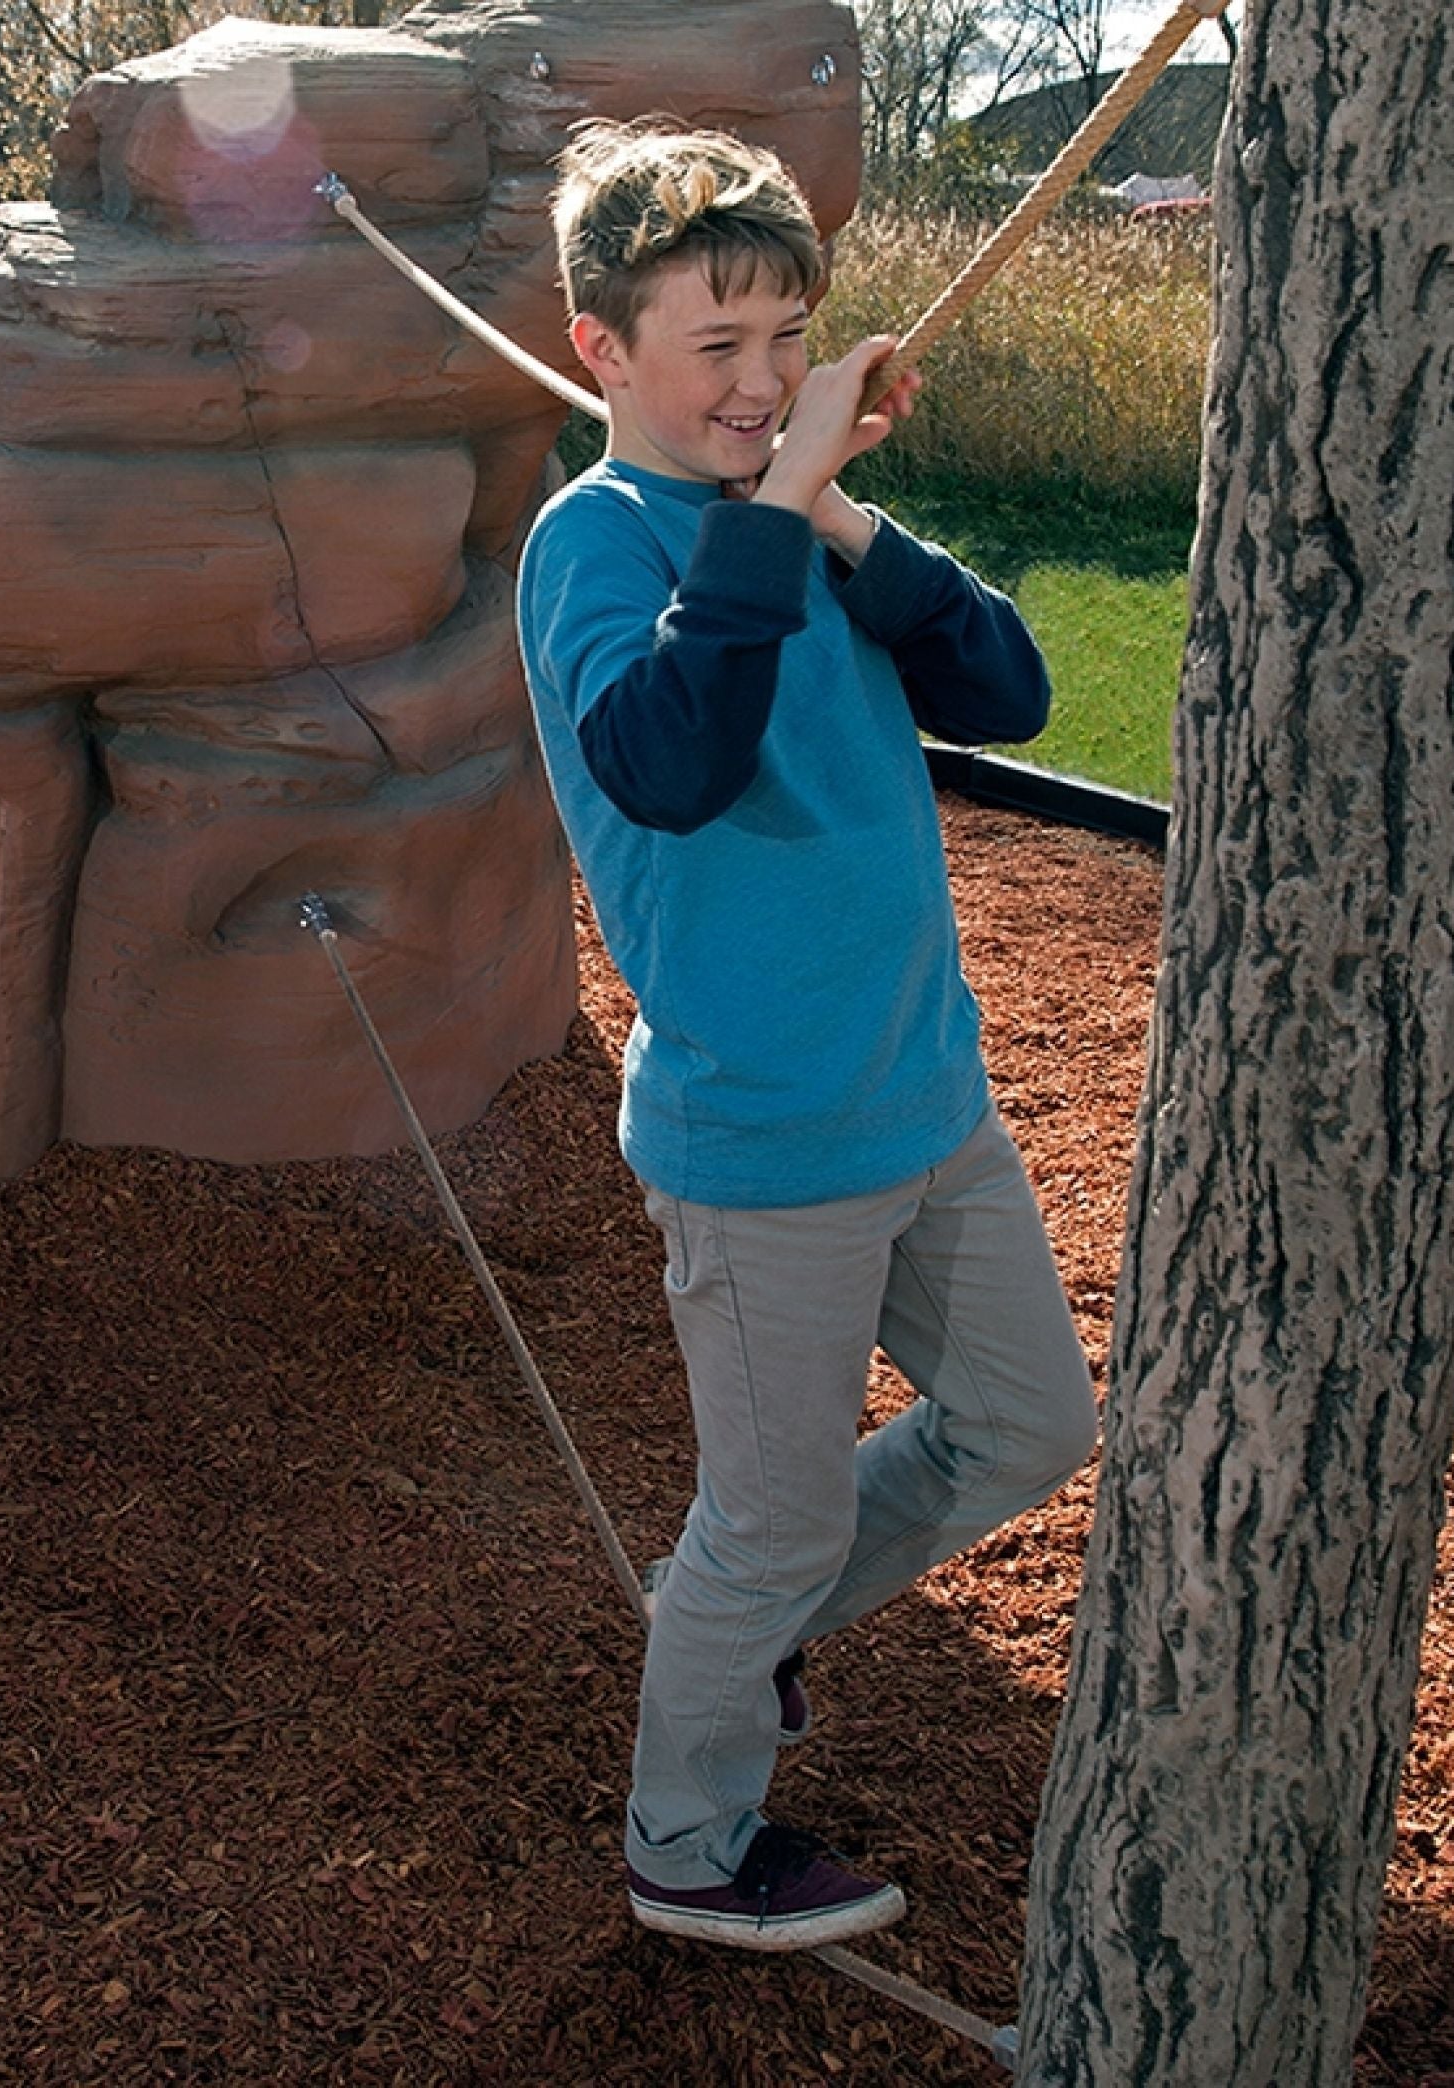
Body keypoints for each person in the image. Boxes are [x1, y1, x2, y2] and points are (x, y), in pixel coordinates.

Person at [514, 120, 1100, 1955]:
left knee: (1026, 1422)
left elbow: (1009, 690)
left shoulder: (814, 528)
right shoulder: (595, 544)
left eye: (791, 340)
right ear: (605, 349)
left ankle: (744, 1638)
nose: (766, 384)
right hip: (763, 1139)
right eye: (718, 348)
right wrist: (774, 520)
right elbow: (671, 765)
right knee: (759, 1528)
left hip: (927, 1099)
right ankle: (685, 1844)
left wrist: (843, 517)